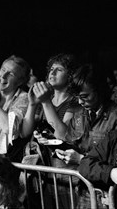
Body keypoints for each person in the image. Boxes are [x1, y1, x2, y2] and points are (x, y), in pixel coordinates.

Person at [45, 64, 117, 208]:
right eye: (78, 97)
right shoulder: (80, 114)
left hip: (108, 193)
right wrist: (55, 145)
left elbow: (116, 161)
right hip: (84, 189)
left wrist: (81, 159)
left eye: (85, 97)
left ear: (100, 90)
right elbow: (71, 143)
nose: (80, 102)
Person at [22, 53, 79, 208]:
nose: (52, 73)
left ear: (70, 76)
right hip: (43, 169)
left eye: (58, 70)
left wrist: (46, 102)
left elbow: (63, 135)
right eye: (51, 69)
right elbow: (25, 132)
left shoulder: (74, 102)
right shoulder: (43, 99)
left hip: (63, 171)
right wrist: (33, 104)